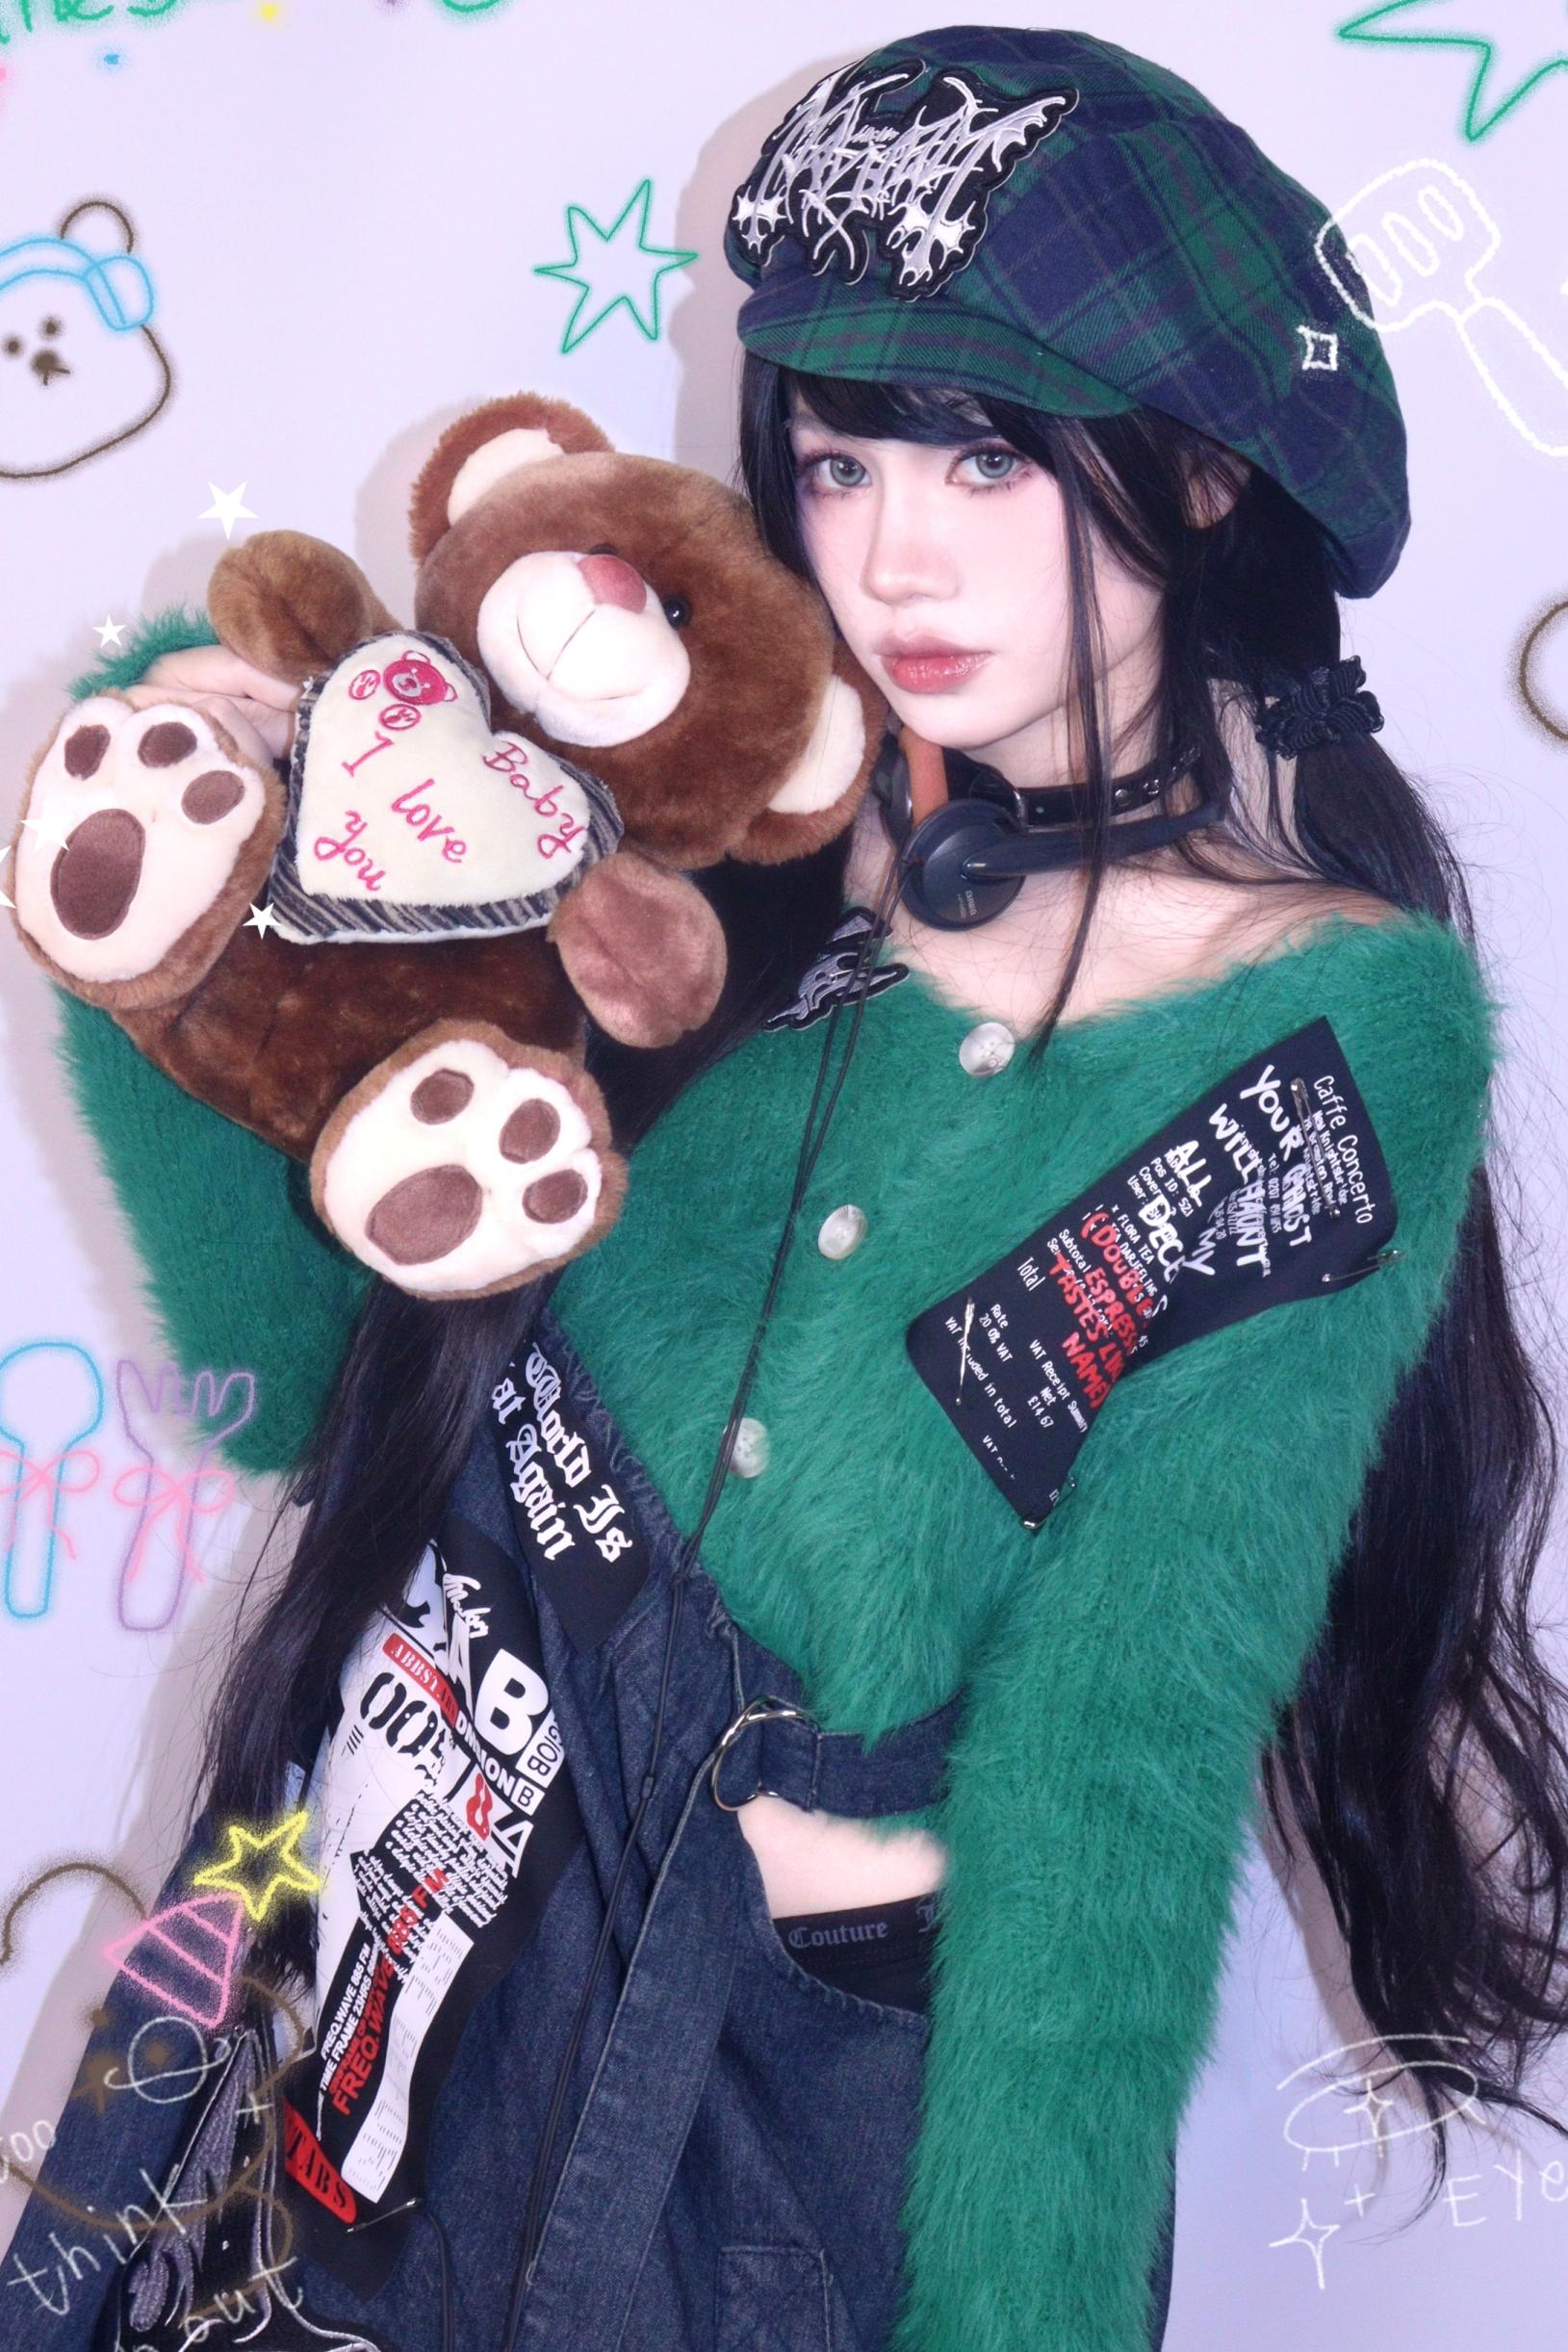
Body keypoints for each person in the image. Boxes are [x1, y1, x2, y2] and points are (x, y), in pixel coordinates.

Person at [6, 25, 1568, 2352]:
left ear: (1200, 474)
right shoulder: (701, 849)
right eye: (838, 460)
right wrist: (181, 921)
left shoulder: (1310, 1041)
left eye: (984, 459)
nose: (891, 552)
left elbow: (1109, 1767)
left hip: (724, 2145)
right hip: (370, 2000)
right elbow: (302, 1385)